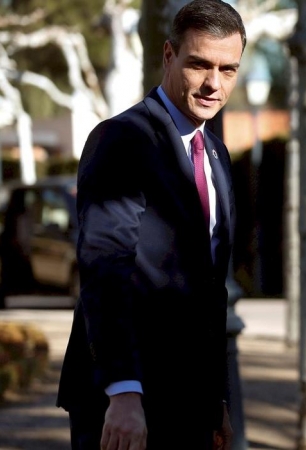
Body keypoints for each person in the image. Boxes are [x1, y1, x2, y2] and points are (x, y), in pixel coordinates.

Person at [56, 1, 245, 448]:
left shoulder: (217, 155)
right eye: (199, 64)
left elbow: (210, 288)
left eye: (228, 69)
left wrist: (215, 397)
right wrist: (122, 391)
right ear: (168, 56)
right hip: (125, 404)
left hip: (189, 404)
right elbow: (105, 269)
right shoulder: (122, 139)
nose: (213, 84)